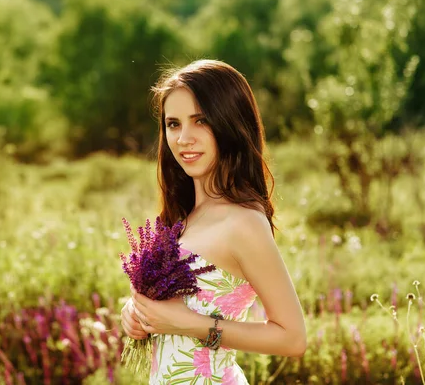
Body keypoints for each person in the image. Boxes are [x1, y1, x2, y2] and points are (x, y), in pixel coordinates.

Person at [120, 59, 307, 384]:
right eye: (174, 124)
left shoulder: (243, 222)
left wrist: (189, 324)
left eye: (201, 121)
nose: (183, 139)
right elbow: (176, 309)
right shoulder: (182, 215)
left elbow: (292, 338)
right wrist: (136, 315)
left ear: (230, 124)